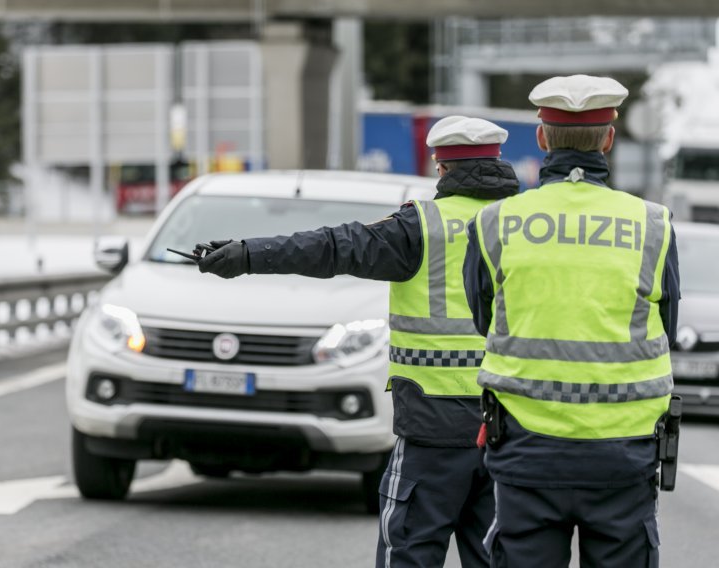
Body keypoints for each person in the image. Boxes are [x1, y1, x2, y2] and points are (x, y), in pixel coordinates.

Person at [196, 116, 520, 567]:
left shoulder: (421, 226)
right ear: (498, 161)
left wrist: (248, 254)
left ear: (441, 168)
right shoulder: (531, 225)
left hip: (433, 428)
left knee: (409, 552)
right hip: (514, 427)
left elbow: (332, 247)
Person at [463, 75, 681, 568]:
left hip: (525, 449)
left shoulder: (496, 221)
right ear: (609, 138)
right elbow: (665, 324)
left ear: (541, 138)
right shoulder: (652, 223)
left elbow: (484, 318)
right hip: (623, 452)